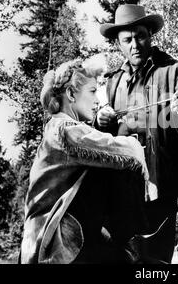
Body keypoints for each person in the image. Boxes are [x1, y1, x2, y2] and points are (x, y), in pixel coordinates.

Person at [20, 59, 151, 264]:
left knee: (105, 165)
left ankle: (127, 242)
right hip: (53, 240)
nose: (97, 99)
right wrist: (129, 134)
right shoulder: (65, 129)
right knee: (121, 163)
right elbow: (129, 152)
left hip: (54, 232)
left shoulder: (60, 126)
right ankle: (134, 242)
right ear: (71, 94)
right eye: (92, 91)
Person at [97, 4, 178, 263]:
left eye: (140, 36)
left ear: (150, 34)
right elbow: (103, 139)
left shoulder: (175, 71)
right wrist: (102, 120)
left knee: (157, 260)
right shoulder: (112, 82)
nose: (135, 45)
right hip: (120, 188)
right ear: (118, 44)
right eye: (127, 40)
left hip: (160, 185)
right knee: (121, 256)